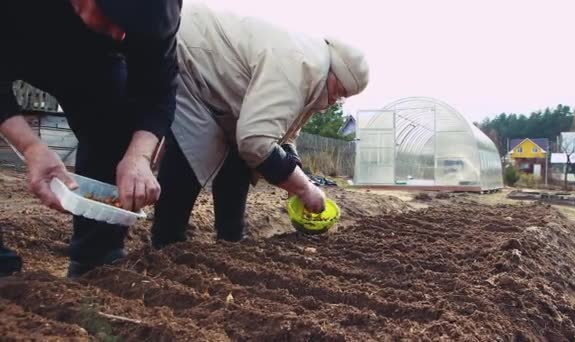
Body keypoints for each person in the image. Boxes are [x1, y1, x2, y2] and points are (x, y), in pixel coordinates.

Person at [151, 2, 369, 248]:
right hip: (183, 55)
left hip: (207, 80)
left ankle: (230, 241)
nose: (335, 101)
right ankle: (166, 244)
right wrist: (305, 189)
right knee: (193, 148)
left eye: (343, 97)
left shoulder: (313, 72)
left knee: (237, 155)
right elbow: (256, 142)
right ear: (336, 73)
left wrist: (295, 175)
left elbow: (283, 136)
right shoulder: (302, 66)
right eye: (339, 91)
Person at [0, 0, 182, 277]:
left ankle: (96, 257)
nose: (122, 34)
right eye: (115, 18)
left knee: (116, 118)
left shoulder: (152, 18)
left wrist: (138, 157)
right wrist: (30, 146)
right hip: (16, 33)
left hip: (91, 61)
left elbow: (158, 93)